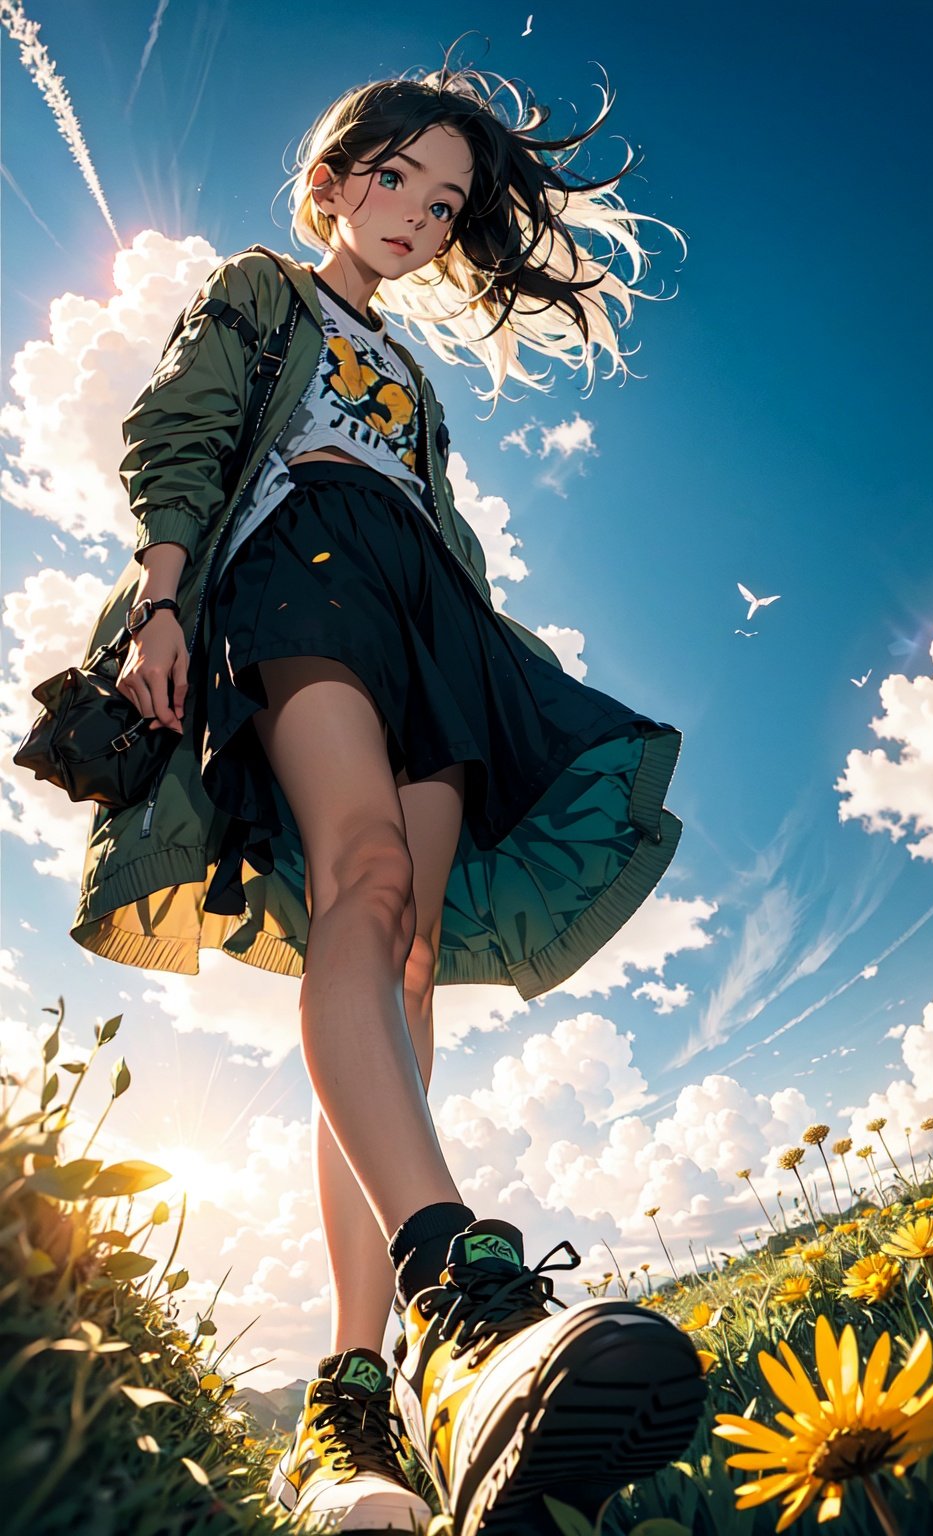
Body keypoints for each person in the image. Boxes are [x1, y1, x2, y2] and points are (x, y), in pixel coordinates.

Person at [83, 50, 706, 1536]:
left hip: (433, 619)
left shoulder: (417, 377)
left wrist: (477, 651)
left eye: (448, 201)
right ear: (332, 182)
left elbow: (436, 521)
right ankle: (461, 1281)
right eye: (396, 180)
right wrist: (164, 600)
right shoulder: (260, 290)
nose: (421, 214)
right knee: (358, 878)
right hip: (300, 578)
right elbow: (184, 428)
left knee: (409, 951)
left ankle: (363, 1398)